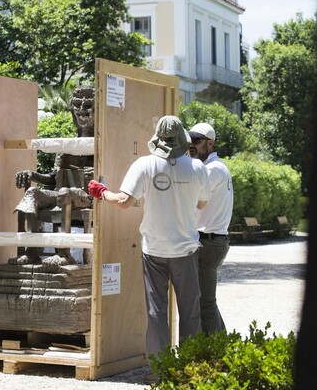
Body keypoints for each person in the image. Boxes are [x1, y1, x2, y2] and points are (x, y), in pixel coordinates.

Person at [88, 115, 210, 358]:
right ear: (182, 139)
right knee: (190, 311)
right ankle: (189, 367)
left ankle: (159, 369)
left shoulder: (144, 165)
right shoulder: (197, 167)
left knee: (156, 312)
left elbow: (123, 202)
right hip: (185, 250)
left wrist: (100, 192)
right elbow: (202, 204)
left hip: (154, 250)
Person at [12, 85, 95, 266]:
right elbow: (53, 178)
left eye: (88, 105)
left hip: (87, 198)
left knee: (65, 192)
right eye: (77, 105)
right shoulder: (66, 145)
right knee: (32, 194)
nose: (82, 110)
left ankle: (64, 254)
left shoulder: (101, 145)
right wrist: (33, 175)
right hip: (62, 194)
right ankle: (30, 252)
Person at [188, 122, 233, 334]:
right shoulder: (211, 168)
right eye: (190, 141)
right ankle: (223, 346)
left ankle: (219, 352)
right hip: (209, 240)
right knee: (205, 301)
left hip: (209, 241)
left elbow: (190, 197)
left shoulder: (213, 170)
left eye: (197, 141)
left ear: (211, 143)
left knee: (205, 302)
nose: (192, 145)